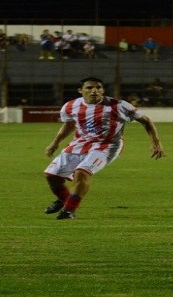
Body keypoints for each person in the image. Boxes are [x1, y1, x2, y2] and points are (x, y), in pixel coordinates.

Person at [43, 77, 164, 220]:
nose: (94, 91)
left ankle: (68, 210)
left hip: (108, 145)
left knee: (82, 173)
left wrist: (155, 141)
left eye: (98, 87)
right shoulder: (70, 106)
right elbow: (69, 124)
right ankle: (65, 200)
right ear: (80, 90)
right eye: (89, 88)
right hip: (80, 143)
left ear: (103, 90)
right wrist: (55, 143)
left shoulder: (119, 105)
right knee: (52, 176)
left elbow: (146, 120)